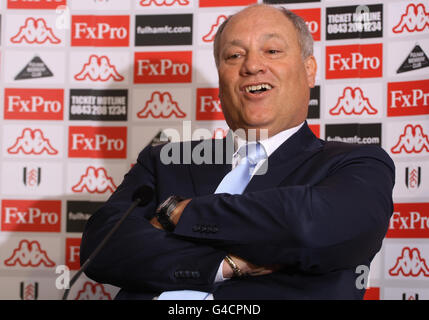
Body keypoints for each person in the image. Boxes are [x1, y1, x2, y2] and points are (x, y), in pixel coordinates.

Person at [80, 4, 395, 300]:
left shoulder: (356, 164)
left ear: (308, 70)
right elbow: (102, 247)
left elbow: (312, 227)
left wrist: (179, 213)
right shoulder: (164, 161)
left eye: (272, 51)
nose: (253, 66)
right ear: (220, 79)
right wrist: (226, 264)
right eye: (233, 56)